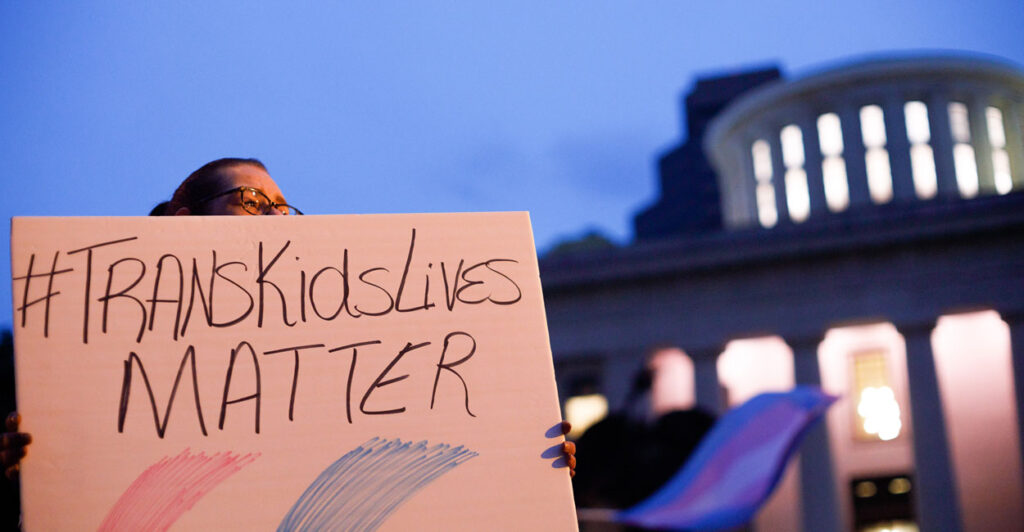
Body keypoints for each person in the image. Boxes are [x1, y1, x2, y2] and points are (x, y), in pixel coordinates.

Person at [2, 157, 575, 481]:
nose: (275, 218)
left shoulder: (343, 350)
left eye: (284, 208)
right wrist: (27, 467)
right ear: (182, 219)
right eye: (251, 201)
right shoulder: (85, 345)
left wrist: (524, 469)